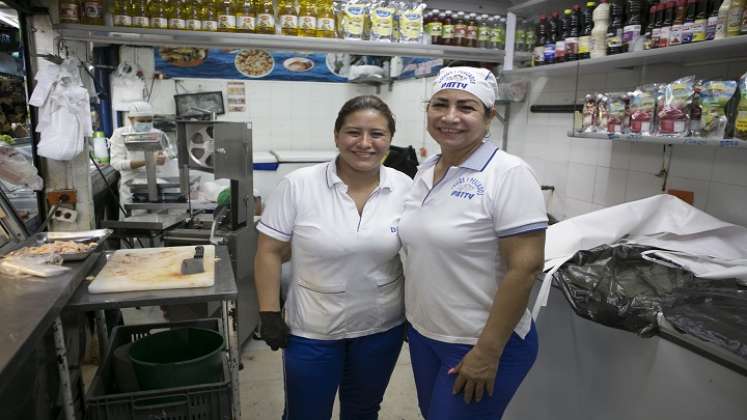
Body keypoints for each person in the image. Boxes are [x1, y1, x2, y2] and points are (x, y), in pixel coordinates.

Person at [398, 67, 548, 420]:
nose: (450, 117)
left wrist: (487, 352)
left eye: (466, 107)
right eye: (440, 105)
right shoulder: (425, 171)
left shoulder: (508, 174)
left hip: (480, 343)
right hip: (427, 335)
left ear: (489, 115)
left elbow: (525, 269)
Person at [254, 95, 413, 420]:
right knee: (306, 413)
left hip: (380, 328)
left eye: (377, 134)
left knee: (363, 410)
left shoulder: (405, 187)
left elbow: (418, 252)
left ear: (390, 140)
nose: (365, 143)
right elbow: (268, 251)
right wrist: (269, 312)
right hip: (313, 330)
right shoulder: (298, 185)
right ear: (337, 135)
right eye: (354, 132)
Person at [109, 101, 174, 211]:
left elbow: (170, 153)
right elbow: (116, 163)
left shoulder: (159, 134)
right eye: (141, 121)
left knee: (158, 220)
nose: (146, 124)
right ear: (131, 119)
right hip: (130, 185)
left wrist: (165, 157)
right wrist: (147, 161)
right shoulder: (120, 134)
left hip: (155, 183)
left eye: (149, 121)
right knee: (134, 221)